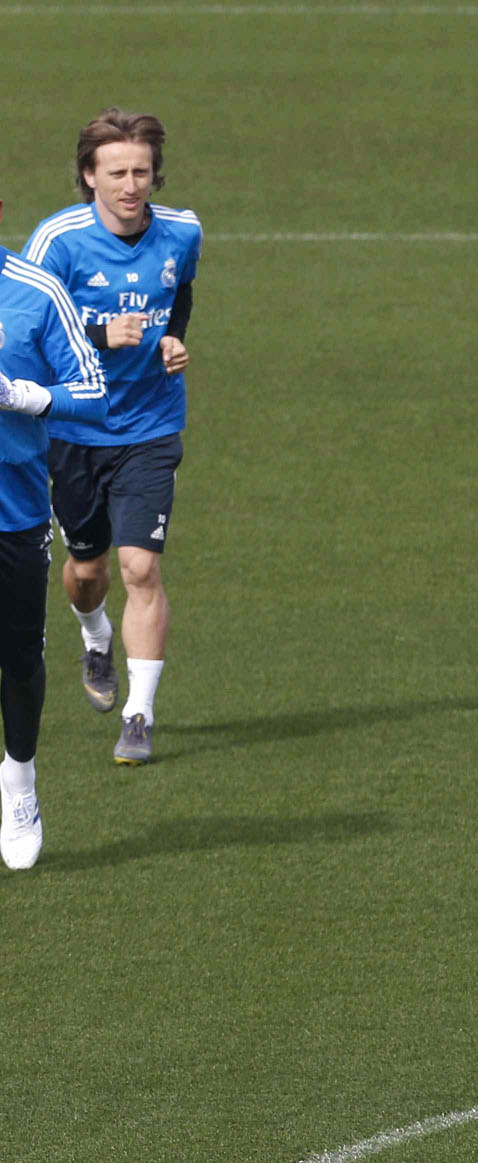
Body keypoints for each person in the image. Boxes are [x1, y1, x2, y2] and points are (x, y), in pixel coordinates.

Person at [23, 109, 201, 765]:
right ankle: (94, 633)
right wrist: (100, 336)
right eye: (118, 172)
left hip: (152, 423)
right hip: (74, 425)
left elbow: (179, 292)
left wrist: (174, 336)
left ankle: (139, 714)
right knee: (87, 570)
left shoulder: (182, 230)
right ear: (88, 176)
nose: (131, 185)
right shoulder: (55, 243)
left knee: (141, 566)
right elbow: (24, 343)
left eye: (142, 172)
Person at [0, 209, 109, 869]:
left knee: (18, 658)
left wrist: (23, 395)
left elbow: (91, 390)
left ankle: (20, 783)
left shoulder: (36, 292)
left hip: (13, 512)